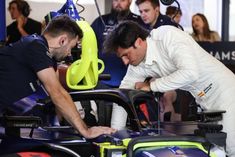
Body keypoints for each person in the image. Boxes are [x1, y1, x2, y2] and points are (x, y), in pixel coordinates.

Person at [103, 21, 235, 157]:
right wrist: (115, 134)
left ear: (138, 42)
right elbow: (123, 95)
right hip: (204, 101)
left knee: (230, 150)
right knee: (216, 151)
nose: (125, 61)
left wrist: (152, 86)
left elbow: (190, 72)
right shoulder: (137, 65)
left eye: (126, 55)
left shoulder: (168, 36)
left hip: (226, 92)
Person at [0, 15, 116, 138]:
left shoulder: (46, 57)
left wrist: (71, 126)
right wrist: (86, 131)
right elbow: (57, 93)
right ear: (62, 41)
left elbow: (58, 96)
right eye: (71, 47)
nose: (69, 54)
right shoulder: (35, 46)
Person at [135, 0, 181, 121]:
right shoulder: (140, 25)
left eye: (146, 11)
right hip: (150, 73)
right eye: (140, 11)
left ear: (157, 10)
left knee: (166, 99)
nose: (143, 14)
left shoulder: (169, 26)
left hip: (172, 73)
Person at [91, 0, 146, 87]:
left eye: (122, 0)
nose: (118, 3)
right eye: (116, 0)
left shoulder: (140, 22)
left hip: (133, 81)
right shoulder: (100, 21)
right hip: (103, 80)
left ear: (130, 1)